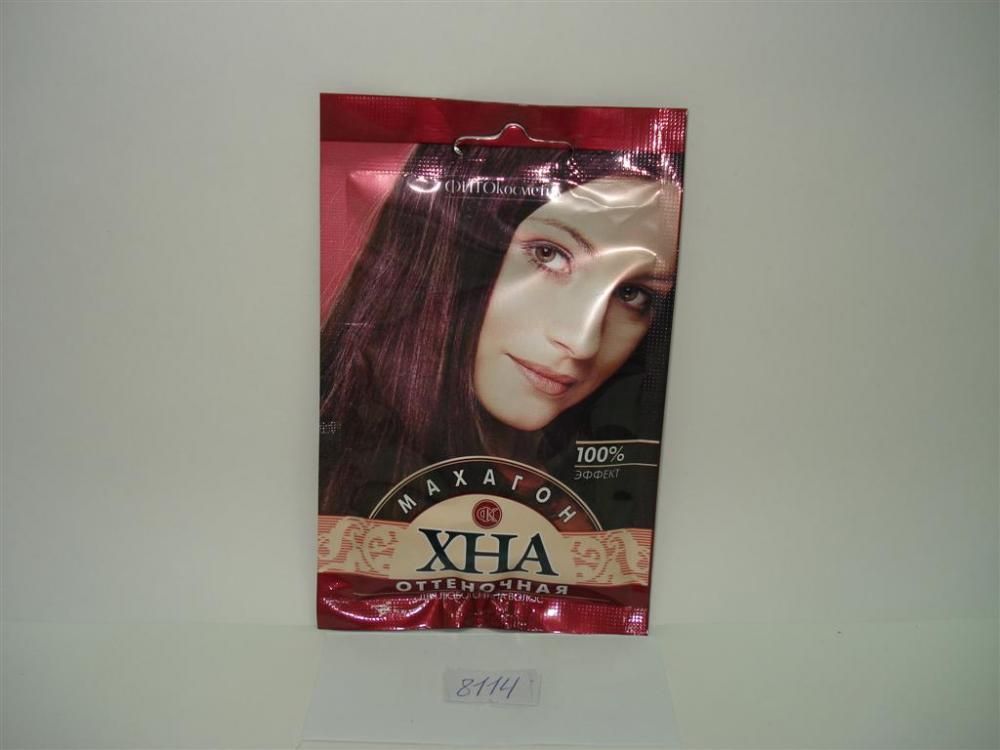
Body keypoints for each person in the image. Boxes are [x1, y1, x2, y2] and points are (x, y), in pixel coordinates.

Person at [319, 144, 682, 519]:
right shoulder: (322, 466)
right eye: (548, 254)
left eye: (631, 293)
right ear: (447, 246)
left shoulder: (609, 506)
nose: (581, 343)